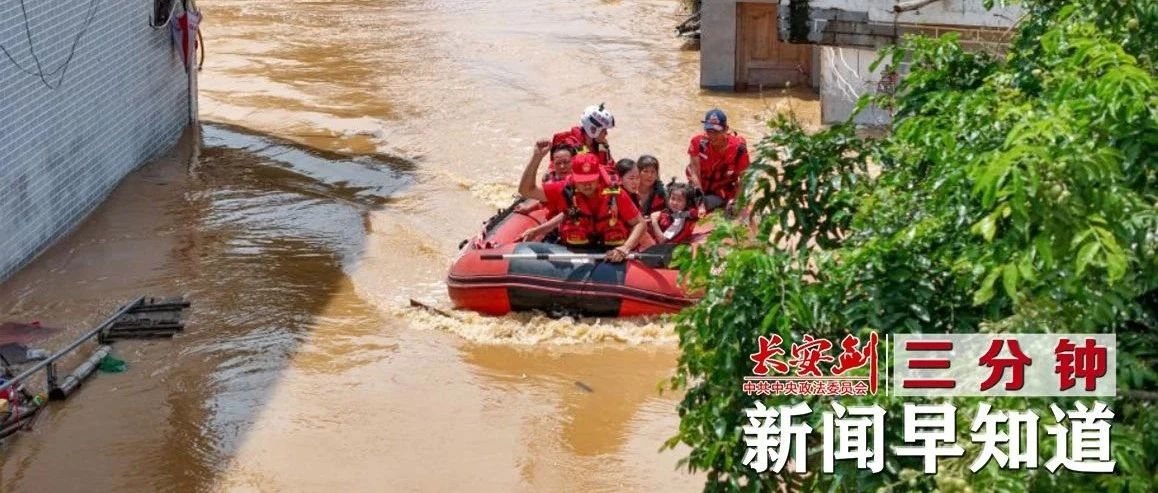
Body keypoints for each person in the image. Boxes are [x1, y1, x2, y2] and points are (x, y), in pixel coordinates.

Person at [518, 140, 647, 262]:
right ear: (573, 177)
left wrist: (625, 248)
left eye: (591, 179)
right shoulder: (563, 189)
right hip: (575, 250)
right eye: (582, 180)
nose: (587, 185)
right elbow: (526, 191)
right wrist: (537, 157)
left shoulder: (615, 193)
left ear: (599, 176)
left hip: (611, 252)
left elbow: (639, 223)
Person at [686, 108, 749, 213]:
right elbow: (695, 172)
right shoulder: (698, 142)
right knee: (677, 197)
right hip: (700, 187)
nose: (712, 136)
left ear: (726, 129)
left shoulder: (739, 149)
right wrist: (700, 201)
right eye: (709, 131)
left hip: (721, 191)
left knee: (731, 210)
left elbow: (744, 179)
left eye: (716, 131)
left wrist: (735, 202)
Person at [552, 104, 615, 169]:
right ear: (593, 129)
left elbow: (611, 166)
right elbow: (555, 172)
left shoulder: (602, 144)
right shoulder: (570, 146)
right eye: (603, 130)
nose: (606, 133)